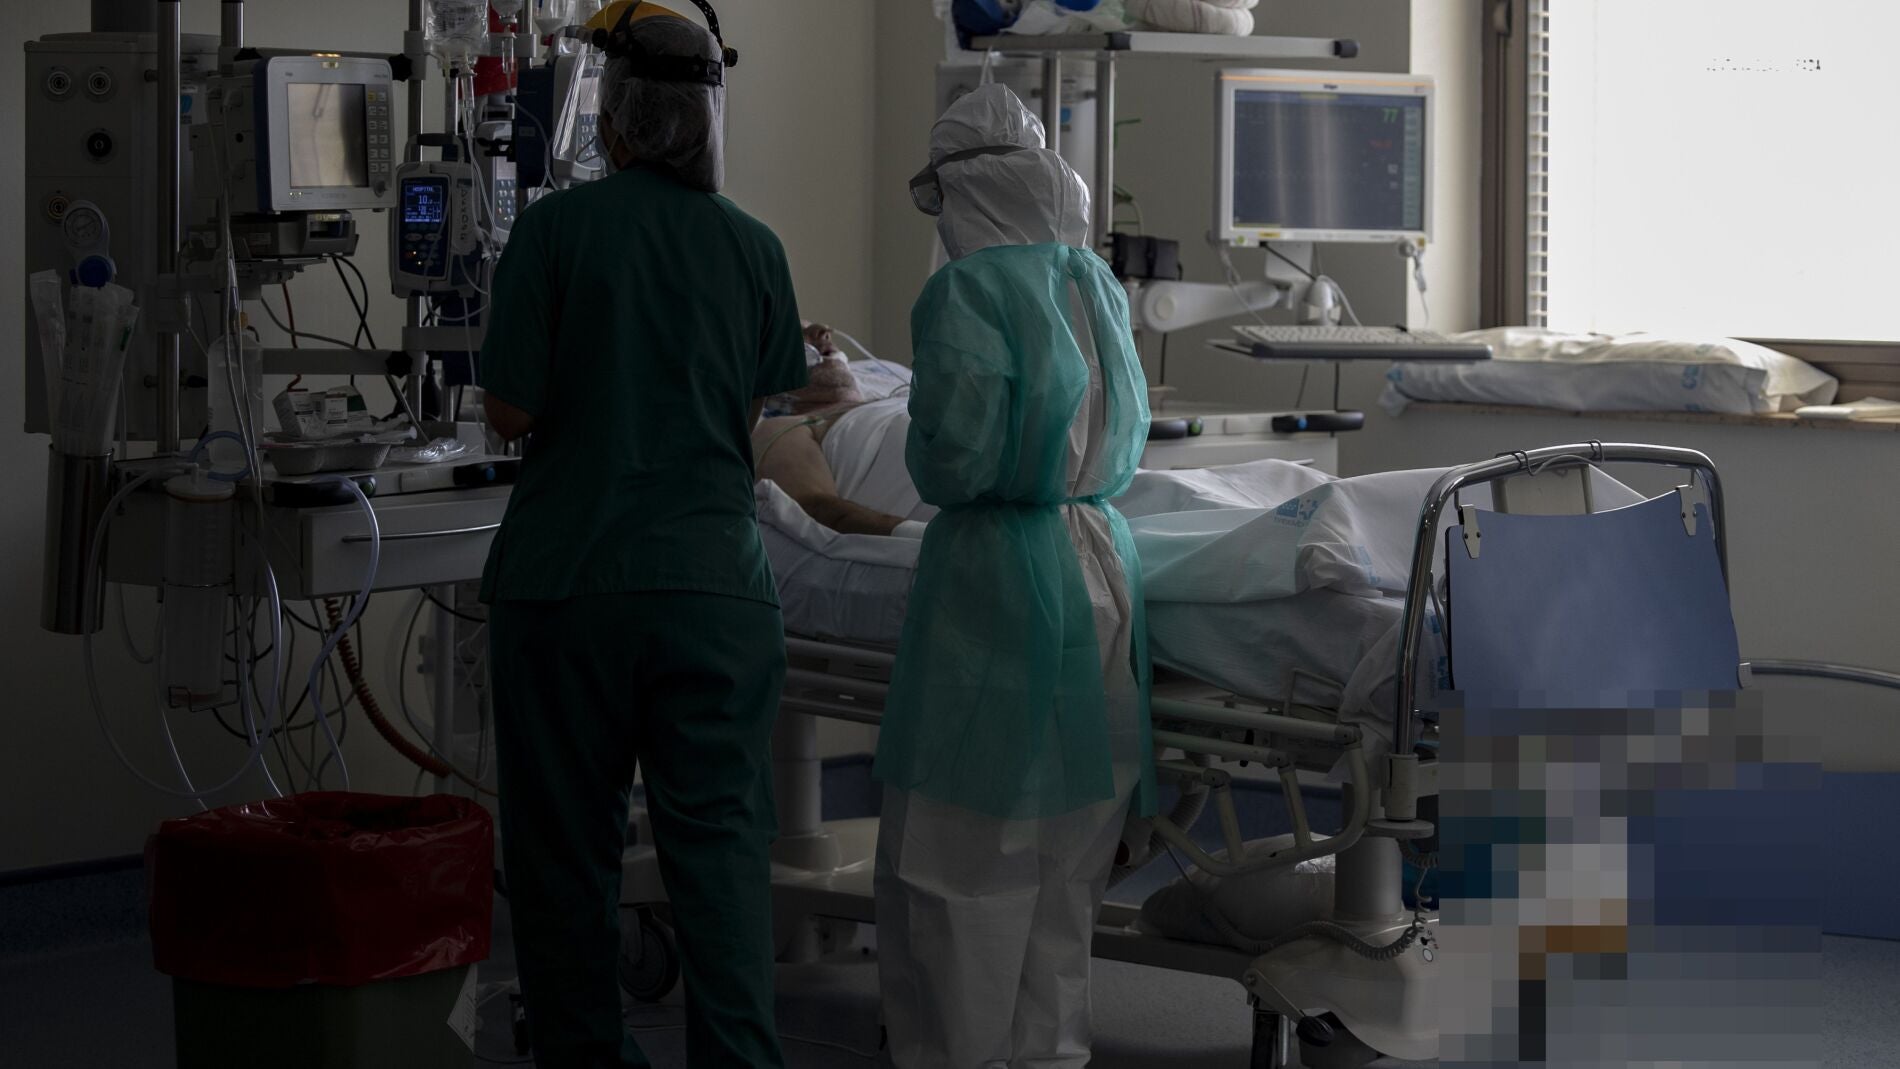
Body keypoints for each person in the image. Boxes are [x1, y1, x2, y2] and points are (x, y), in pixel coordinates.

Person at [476, 5, 803, 1066]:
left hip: (568, 590)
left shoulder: (555, 232)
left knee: (566, 864)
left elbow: (510, 412)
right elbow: (746, 417)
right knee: (722, 865)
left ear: (609, 117)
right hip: (714, 598)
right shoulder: (754, 248)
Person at [872, 83, 1156, 1069]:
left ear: (961, 192)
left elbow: (951, 456)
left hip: (997, 577)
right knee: (1069, 852)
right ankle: (1049, 1054)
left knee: (962, 850)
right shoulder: (1093, 282)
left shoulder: (965, 292)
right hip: (1102, 562)